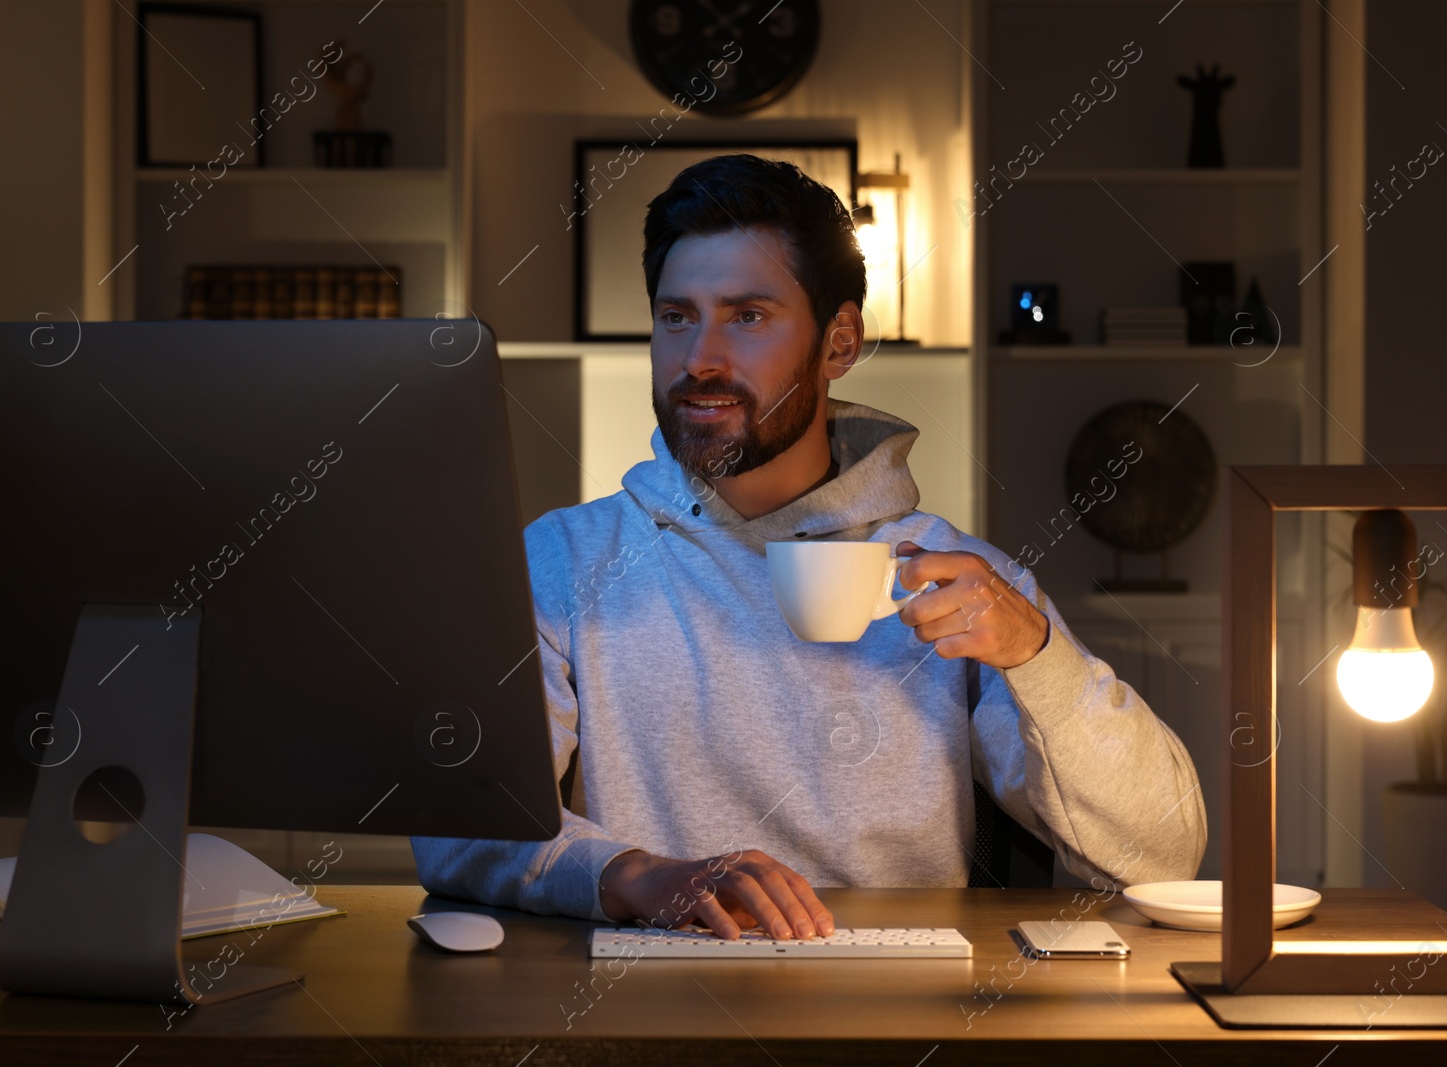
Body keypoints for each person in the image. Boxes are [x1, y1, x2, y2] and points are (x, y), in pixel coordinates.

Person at [411, 154, 1205, 942]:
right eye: (676, 316)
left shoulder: (962, 581)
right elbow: (453, 827)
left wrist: (1037, 655)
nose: (698, 360)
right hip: (642, 1002)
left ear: (839, 342)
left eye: (747, 316)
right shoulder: (564, 560)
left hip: (900, 1014)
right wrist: (633, 874)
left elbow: (1161, 854)